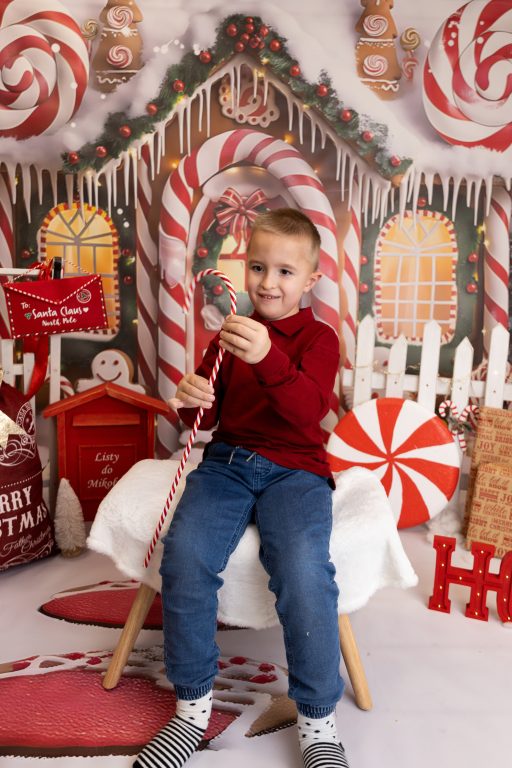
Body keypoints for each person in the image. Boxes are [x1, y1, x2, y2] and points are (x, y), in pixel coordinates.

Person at [134, 209, 350, 768]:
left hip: (297, 470)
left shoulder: (320, 338)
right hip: (227, 463)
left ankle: (318, 722)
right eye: (258, 267)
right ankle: (191, 710)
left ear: (311, 279)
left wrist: (268, 357)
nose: (267, 282)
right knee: (185, 556)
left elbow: (308, 412)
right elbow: (203, 420)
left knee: (303, 569)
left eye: (284, 271)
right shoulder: (228, 334)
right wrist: (190, 399)